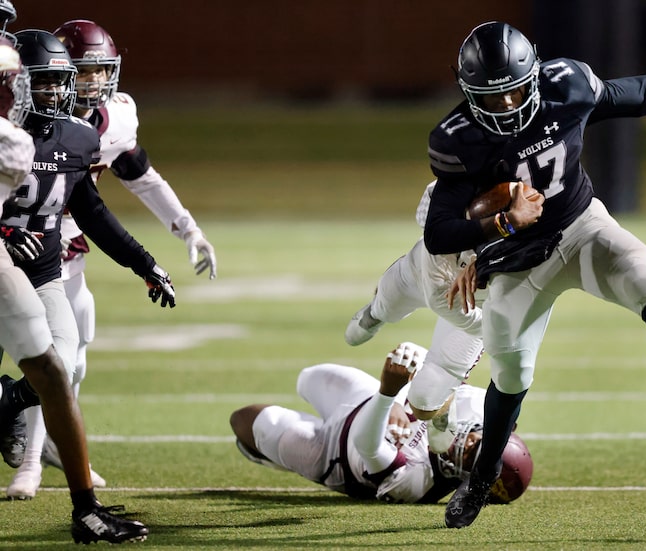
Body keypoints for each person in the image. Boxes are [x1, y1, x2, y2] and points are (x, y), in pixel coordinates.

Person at [422, 21, 646, 528]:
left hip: (581, 226)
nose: (505, 106)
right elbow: (439, 232)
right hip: (520, 258)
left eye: (512, 92)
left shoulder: (566, 86)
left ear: (532, 78)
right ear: (469, 93)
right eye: (492, 97)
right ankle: (480, 481)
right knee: (511, 374)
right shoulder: (458, 138)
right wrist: (499, 224)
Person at [6, 18, 218, 499]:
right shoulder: (15, 126)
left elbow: (131, 180)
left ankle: (46, 448)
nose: (91, 83)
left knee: (67, 359)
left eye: (99, 73)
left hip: (59, 250)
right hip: (17, 245)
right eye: (80, 73)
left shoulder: (102, 125)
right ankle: (27, 447)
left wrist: (183, 232)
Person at [0, 28, 148, 544]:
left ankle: (85, 508)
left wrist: (143, 262)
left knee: (56, 374)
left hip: (37, 271)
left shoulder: (76, 137)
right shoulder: (7, 132)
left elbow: (89, 206)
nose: (59, 93)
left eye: (60, 82)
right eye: (44, 83)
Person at [230, 342, 533, 504]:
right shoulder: (478, 409)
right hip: (362, 399)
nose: (467, 443)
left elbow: (367, 447)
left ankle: (272, 458)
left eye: (471, 456)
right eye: (479, 441)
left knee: (248, 420)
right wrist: (398, 399)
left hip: (334, 456)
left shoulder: (418, 484)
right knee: (307, 376)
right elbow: (429, 366)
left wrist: (389, 394)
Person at [345, 180, 487, 453]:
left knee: (424, 399)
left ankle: (443, 403)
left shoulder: (518, 204)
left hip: (477, 301)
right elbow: (443, 299)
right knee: (384, 306)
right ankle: (376, 312)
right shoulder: (445, 196)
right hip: (425, 274)